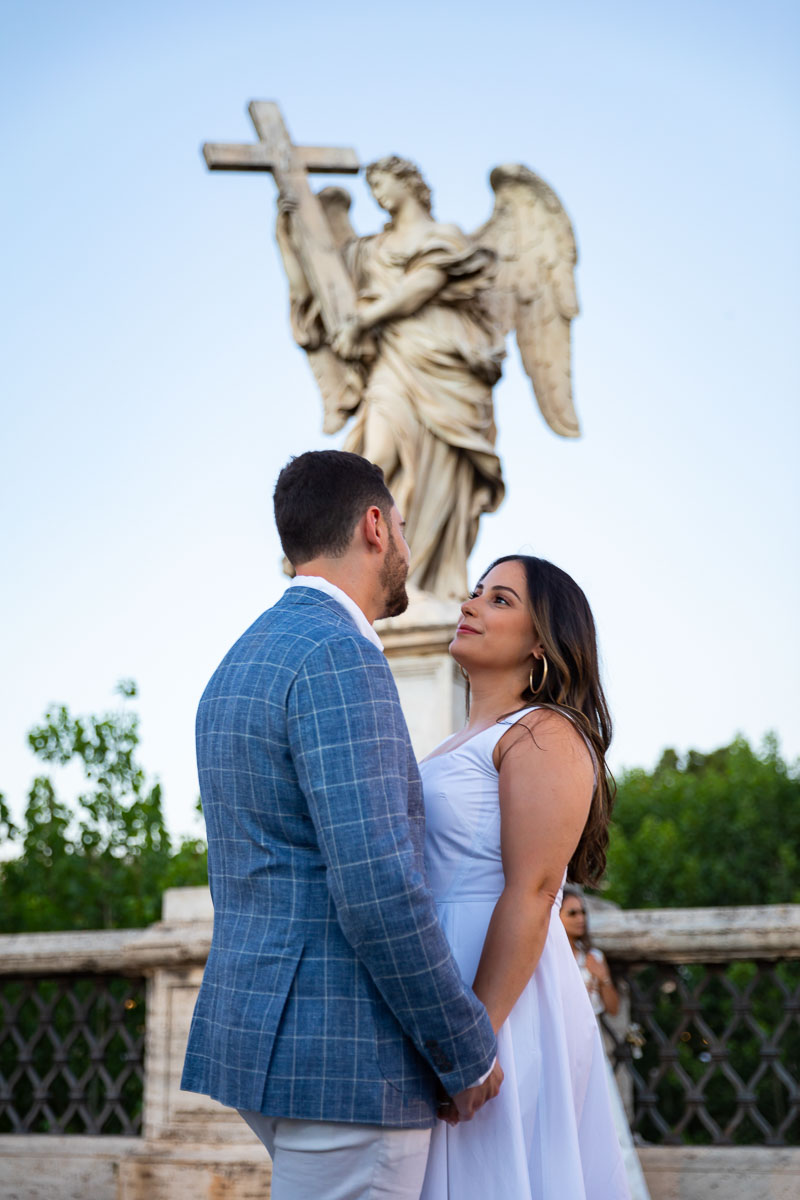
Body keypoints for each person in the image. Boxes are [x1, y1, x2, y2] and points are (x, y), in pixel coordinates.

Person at [181, 449, 502, 1200]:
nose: (410, 553)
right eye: (402, 529)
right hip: (347, 1057)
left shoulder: (240, 659)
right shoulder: (340, 655)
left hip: (263, 1040)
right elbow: (376, 883)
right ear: (375, 526)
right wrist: (464, 1048)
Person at [418, 554, 630, 1199]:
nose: (470, 604)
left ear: (542, 641)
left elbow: (535, 890)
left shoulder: (544, 732)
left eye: (500, 599)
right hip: (442, 970)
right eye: (476, 592)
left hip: (503, 990)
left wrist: (475, 1041)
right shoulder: (452, 745)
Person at [330, 155, 507, 602]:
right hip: (394, 360)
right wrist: (291, 220)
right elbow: (322, 287)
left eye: (383, 183)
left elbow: (424, 284)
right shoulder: (370, 248)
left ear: (409, 182)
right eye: (371, 188)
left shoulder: (443, 237)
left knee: (435, 475)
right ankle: (349, 563)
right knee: (378, 458)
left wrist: (365, 320)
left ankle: (416, 575)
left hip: (442, 363)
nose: (378, 195)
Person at [561, 886, 652, 1200]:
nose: (580, 919)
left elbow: (612, 1008)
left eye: (583, 912)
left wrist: (603, 978)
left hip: (592, 1043)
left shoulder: (594, 957)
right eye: (572, 913)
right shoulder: (551, 957)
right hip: (561, 1044)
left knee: (608, 1121)